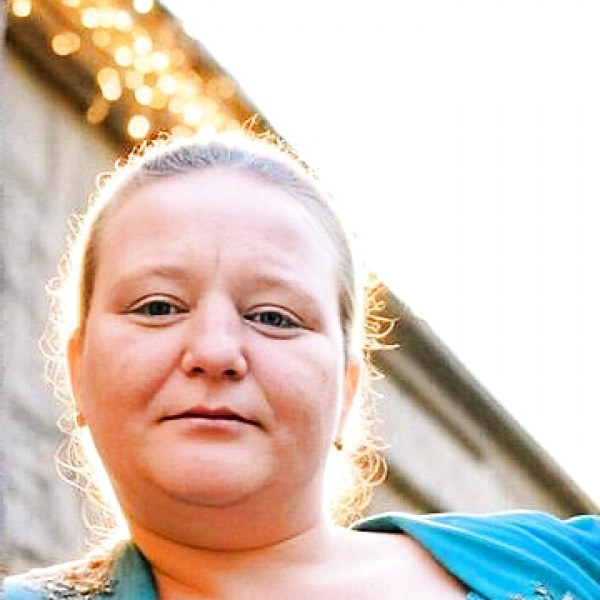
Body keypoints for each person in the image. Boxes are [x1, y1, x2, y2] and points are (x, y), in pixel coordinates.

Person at [4, 131, 600, 600]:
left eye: (274, 317)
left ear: (347, 389)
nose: (214, 352)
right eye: (157, 307)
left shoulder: (574, 563)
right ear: (78, 370)